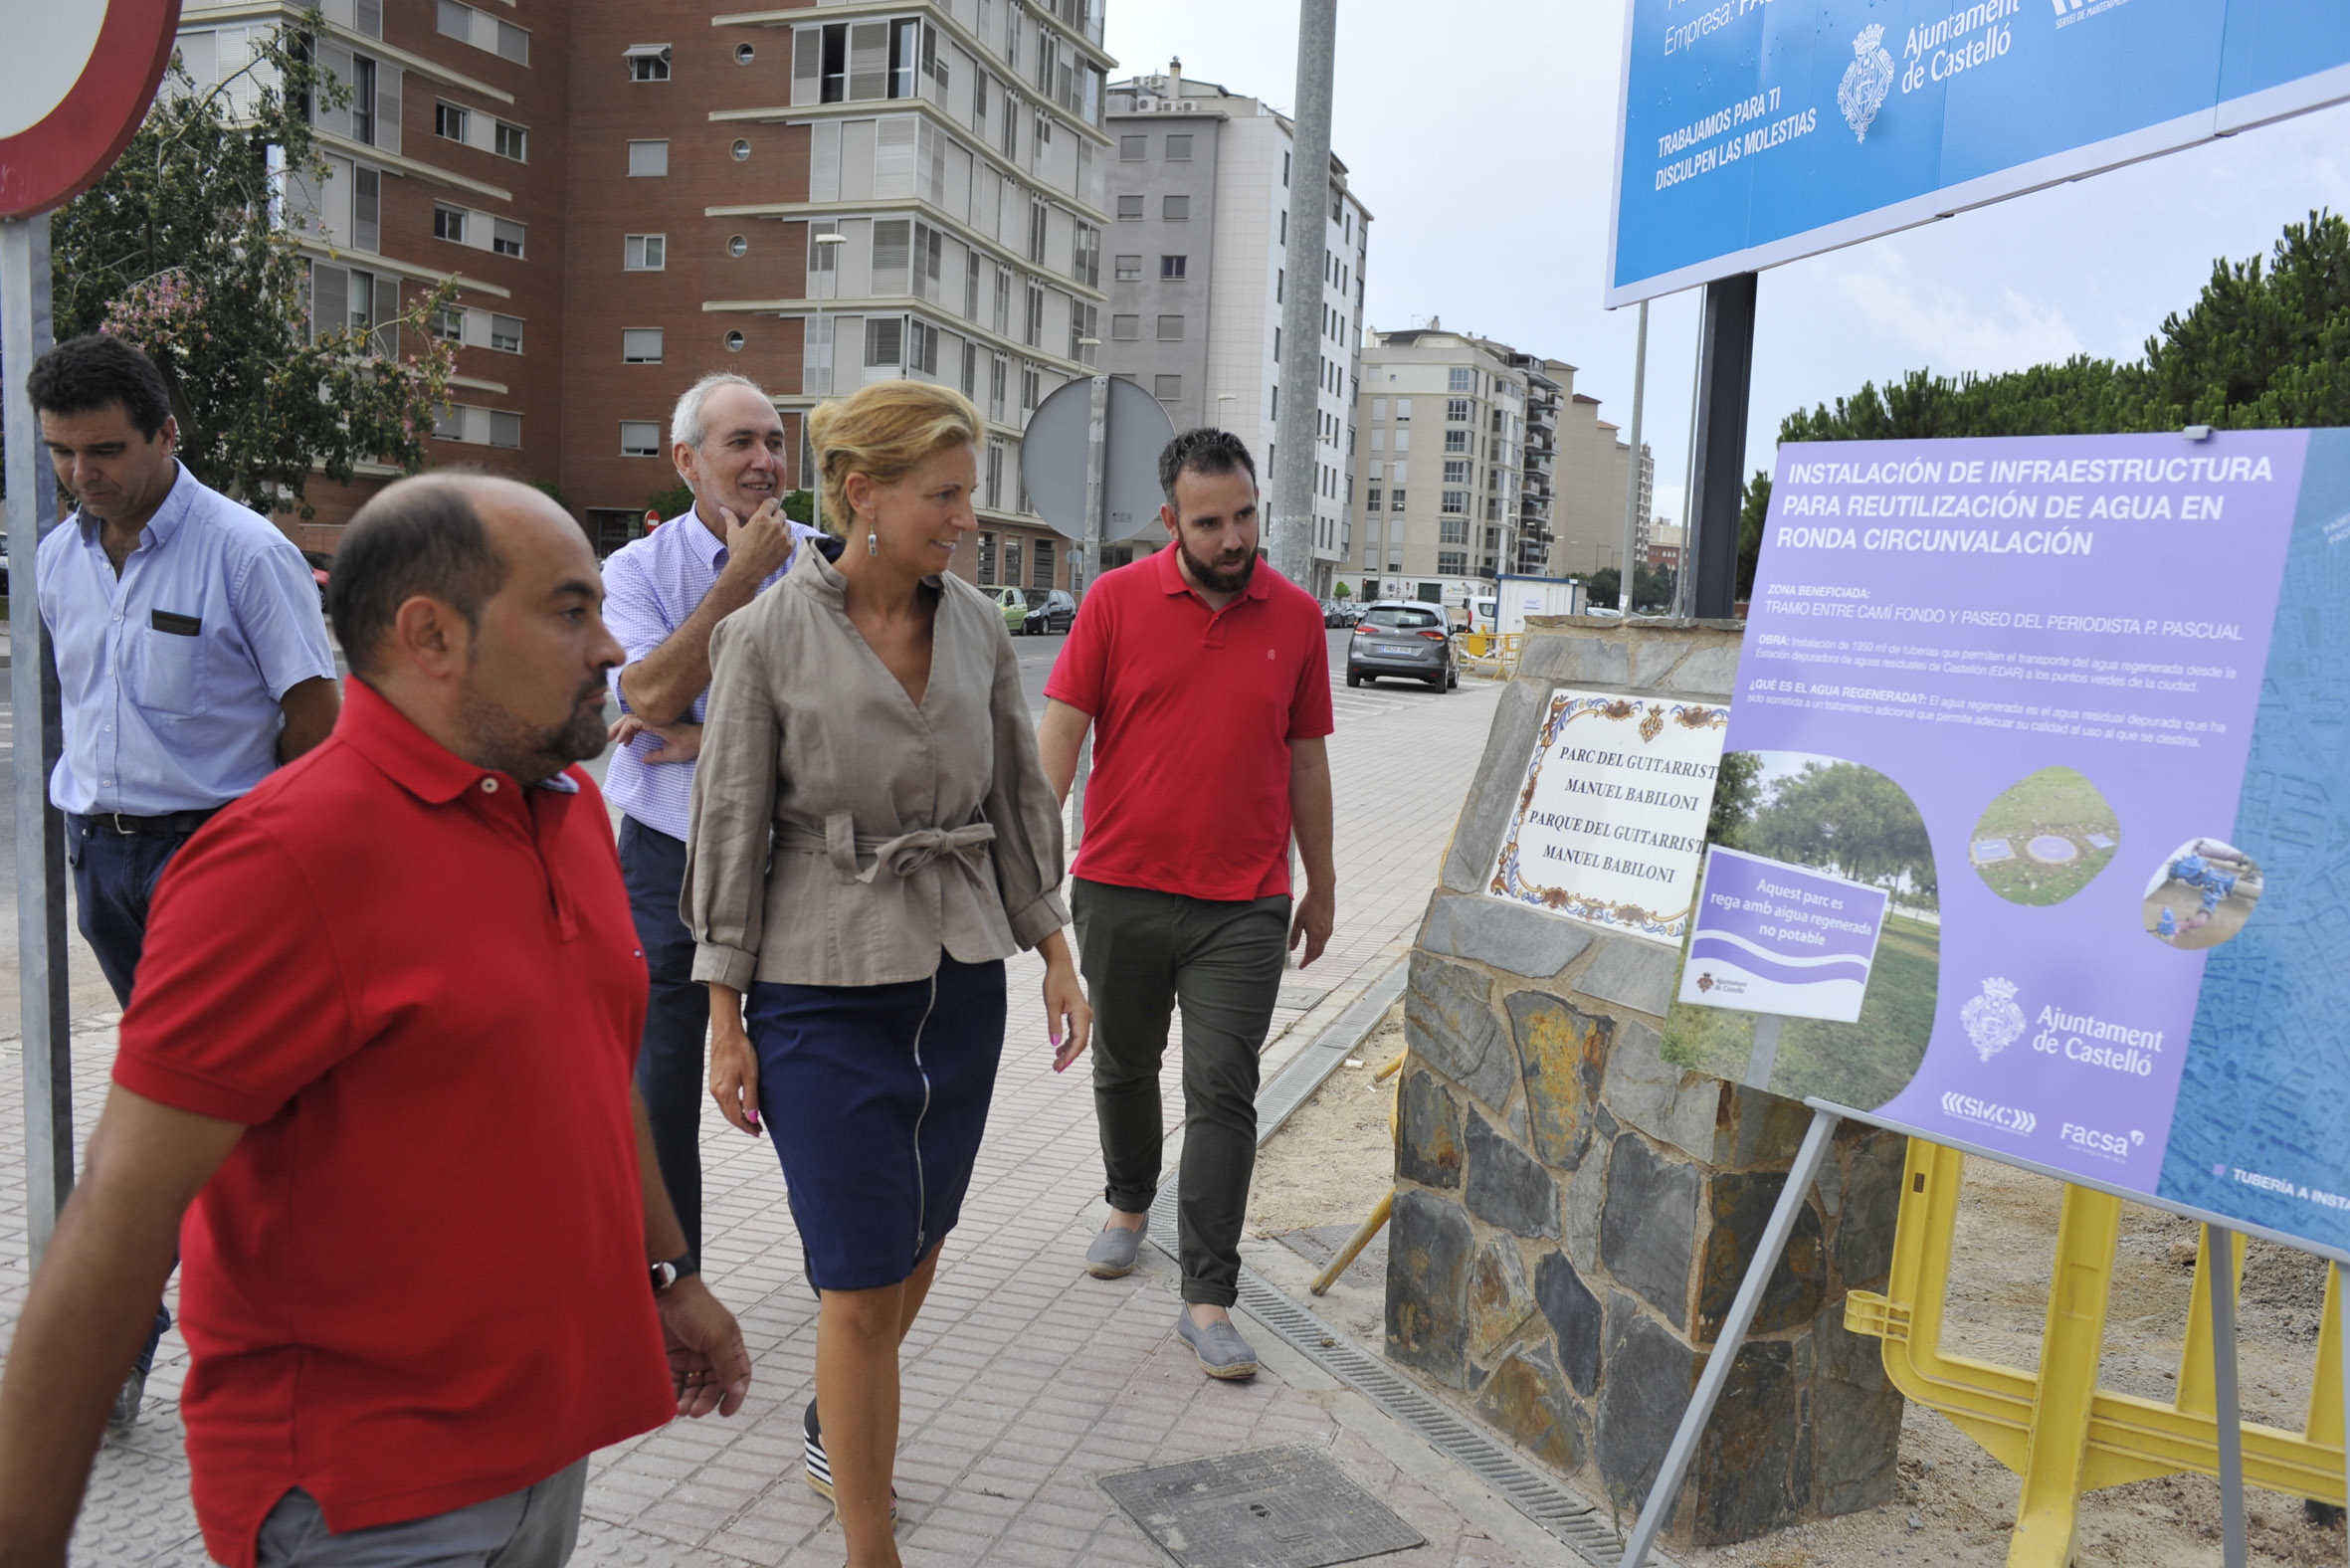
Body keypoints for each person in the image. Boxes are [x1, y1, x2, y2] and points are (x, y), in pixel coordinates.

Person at [0, 476, 753, 1568]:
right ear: (431, 636)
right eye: (569, 609)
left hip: (547, 1447)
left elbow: (592, 1067)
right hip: (362, 1498)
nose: (608, 648)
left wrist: (665, 1273)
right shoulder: (280, 862)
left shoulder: (566, 809)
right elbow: (115, 1230)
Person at [685, 379, 1088, 1568]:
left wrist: (1054, 950)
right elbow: (728, 829)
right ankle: (872, 1546)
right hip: (817, 988)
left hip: (958, 981)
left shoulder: (972, 622)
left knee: (920, 1243)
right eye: (945, 493)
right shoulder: (761, 635)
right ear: (862, 491)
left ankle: (838, 1413)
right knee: (857, 1281)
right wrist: (724, 1015)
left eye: (969, 493)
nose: (966, 517)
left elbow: (1018, 793)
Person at [27, 333, 342, 1427]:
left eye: (106, 448)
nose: (85, 474)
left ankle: (141, 1340)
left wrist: (270, 868)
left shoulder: (243, 552)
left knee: (180, 1113)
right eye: (64, 452)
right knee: (186, 1107)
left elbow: (315, 718)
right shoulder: (58, 555)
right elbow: (67, 698)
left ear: (168, 432)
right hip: (102, 854)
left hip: (215, 857)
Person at [1037, 427, 1337, 1381]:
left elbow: (1307, 759)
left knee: (1223, 1093)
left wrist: (1321, 884)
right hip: (1118, 888)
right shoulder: (1115, 602)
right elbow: (1062, 734)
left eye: (1245, 515)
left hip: (1243, 904)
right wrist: (1034, 870)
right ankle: (1129, 1203)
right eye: (1210, 523)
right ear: (1169, 521)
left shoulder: (1296, 617)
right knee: (1125, 1066)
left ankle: (1207, 1296)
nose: (1233, 537)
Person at [601, 373, 831, 1273]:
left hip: (793, 860)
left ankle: (843, 1283)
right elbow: (644, 690)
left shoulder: (827, 565)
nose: (766, 462)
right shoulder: (633, 572)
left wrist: (704, 735)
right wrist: (735, 581)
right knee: (657, 1087)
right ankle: (670, 1283)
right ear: (688, 461)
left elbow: (841, 725)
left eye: (776, 441)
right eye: (741, 443)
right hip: (666, 859)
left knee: (810, 1080)